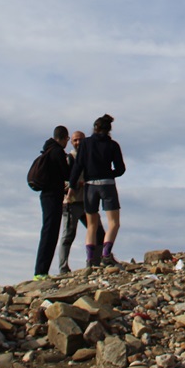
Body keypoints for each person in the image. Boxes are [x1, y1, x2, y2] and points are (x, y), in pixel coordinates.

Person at [68, 113, 126, 267]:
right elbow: (121, 169)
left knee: (91, 224)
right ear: (108, 130)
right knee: (113, 223)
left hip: (90, 186)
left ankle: (90, 260)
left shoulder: (85, 144)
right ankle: (106, 254)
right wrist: (109, 174)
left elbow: (78, 165)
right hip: (107, 185)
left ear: (94, 128)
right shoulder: (113, 145)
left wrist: (72, 185)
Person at [57, 130, 102, 273]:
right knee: (68, 235)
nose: (78, 143)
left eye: (81, 140)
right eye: (75, 140)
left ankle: (97, 261)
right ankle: (63, 268)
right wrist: (78, 184)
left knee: (98, 232)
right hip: (72, 202)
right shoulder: (69, 159)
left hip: (88, 201)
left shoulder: (90, 158)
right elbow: (63, 182)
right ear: (71, 142)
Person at [33, 125, 71, 280]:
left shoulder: (48, 150)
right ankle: (41, 272)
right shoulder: (57, 152)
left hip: (46, 195)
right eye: (67, 139)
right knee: (50, 232)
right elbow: (66, 174)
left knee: (48, 231)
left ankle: (41, 271)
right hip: (52, 196)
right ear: (63, 138)